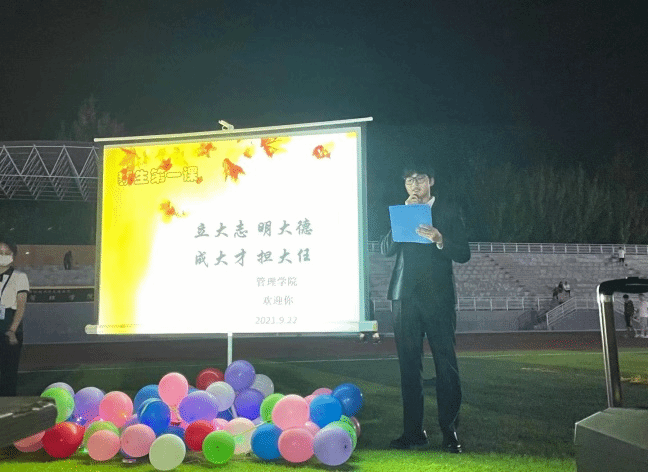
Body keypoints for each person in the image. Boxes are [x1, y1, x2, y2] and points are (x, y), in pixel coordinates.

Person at [381, 165, 470, 453]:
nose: (414, 185)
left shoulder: (448, 211)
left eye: (419, 179)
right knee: (409, 367)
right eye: (409, 180)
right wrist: (402, 217)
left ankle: (450, 432)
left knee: (446, 364)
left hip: (438, 297)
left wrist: (440, 239)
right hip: (404, 296)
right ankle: (413, 433)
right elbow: (386, 249)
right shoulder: (402, 211)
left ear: (431, 180)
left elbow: (464, 253)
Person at [0, 239, 30, 396]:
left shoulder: (20, 277)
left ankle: (7, 405)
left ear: (12, 256)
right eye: (0, 253)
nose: (3, 256)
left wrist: (12, 330)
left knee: (8, 372)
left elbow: (21, 306)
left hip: (9, 328)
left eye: (7, 253)